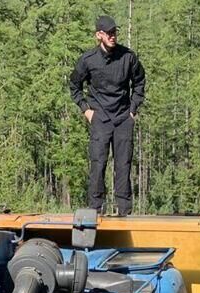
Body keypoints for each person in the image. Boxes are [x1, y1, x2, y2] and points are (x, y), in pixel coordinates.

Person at [68, 14, 146, 216]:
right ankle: (94, 211)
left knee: (123, 165)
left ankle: (124, 212)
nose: (113, 36)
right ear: (98, 35)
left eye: (115, 32)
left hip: (123, 118)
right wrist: (86, 110)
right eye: (109, 33)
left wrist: (133, 110)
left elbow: (139, 83)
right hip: (100, 118)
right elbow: (74, 85)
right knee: (98, 163)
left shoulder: (128, 57)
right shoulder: (88, 60)